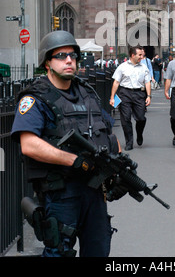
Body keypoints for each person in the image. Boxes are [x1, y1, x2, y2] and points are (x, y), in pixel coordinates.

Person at [11, 30, 125, 257]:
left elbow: (108, 134)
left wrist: (118, 166)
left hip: (94, 192)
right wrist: (75, 161)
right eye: (61, 56)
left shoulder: (87, 93)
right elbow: (29, 144)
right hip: (61, 193)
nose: (69, 60)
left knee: (99, 250)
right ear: (47, 63)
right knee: (59, 252)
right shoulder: (35, 98)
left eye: (73, 56)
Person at [110, 46, 151, 150]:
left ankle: (139, 133)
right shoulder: (122, 67)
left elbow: (147, 82)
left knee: (141, 118)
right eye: (140, 55)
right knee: (126, 118)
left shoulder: (144, 67)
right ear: (133, 55)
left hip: (139, 94)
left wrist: (149, 96)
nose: (142, 57)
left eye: (142, 55)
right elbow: (116, 82)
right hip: (125, 93)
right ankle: (129, 142)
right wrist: (112, 97)